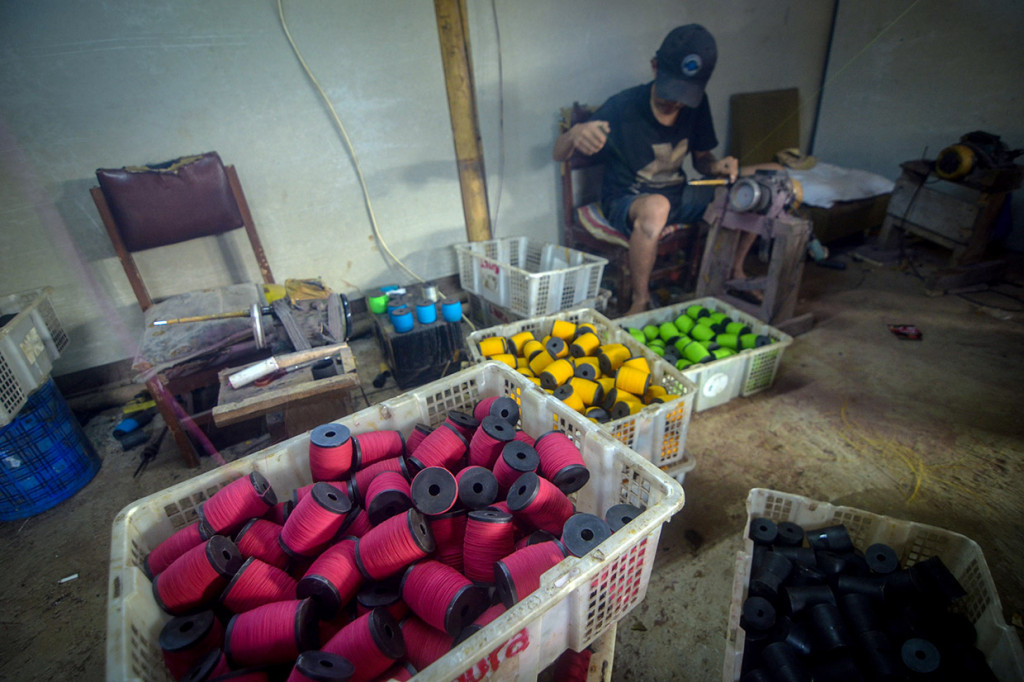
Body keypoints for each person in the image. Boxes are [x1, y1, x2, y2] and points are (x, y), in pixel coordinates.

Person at [553, 24, 779, 314]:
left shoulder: (697, 105)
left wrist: (717, 166)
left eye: (684, 97)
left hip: (680, 195)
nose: (675, 103)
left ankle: (735, 270)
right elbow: (558, 154)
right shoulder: (623, 106)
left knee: (760, 188)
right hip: (627, 200)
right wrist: (574, 134)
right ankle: (640, 300)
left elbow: (701, 160)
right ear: (655, 67)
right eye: (670, 93)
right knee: (657, 206)